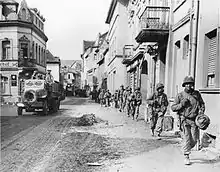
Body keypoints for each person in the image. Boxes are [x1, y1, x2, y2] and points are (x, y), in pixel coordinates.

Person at [171, 76, 205, 165]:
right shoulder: (180, 95)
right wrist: (181, 104)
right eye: (187, 84)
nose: (189, 86)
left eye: (190, 84)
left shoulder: (197, 94)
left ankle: (186, 148)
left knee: (194, 139)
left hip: (195, 120)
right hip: (184, 119)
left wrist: (201, 110)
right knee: (187, 138)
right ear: (184, 85)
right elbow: (173, 107)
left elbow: (202, 104)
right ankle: (186, 156)